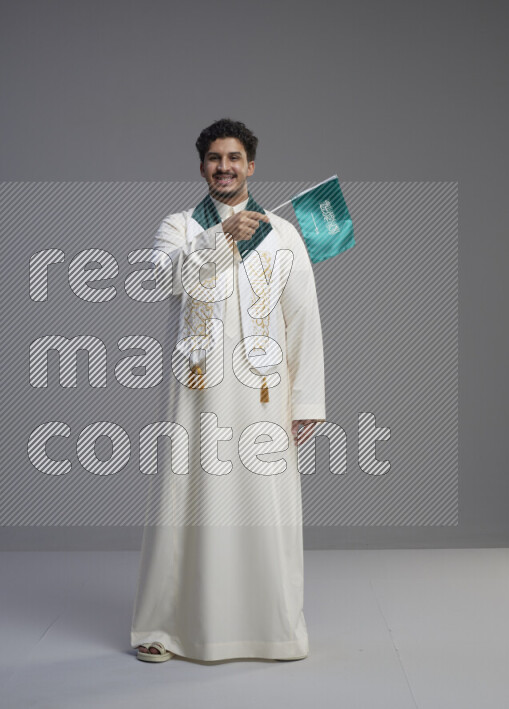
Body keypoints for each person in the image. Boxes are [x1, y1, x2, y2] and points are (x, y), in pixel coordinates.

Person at [131, 118, 326, 662]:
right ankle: (166, 628)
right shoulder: (179, 227)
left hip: (263, 393)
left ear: (251, 166)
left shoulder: (283, 234)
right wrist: (220, 238)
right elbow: (162, 278)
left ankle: (271, 629)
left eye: (234, 158)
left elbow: (302, 317)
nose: (225, 167)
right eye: (215, 158)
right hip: (197, 393)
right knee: (184, 504)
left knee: (265, 508)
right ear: (202, 168)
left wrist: (307, 400)